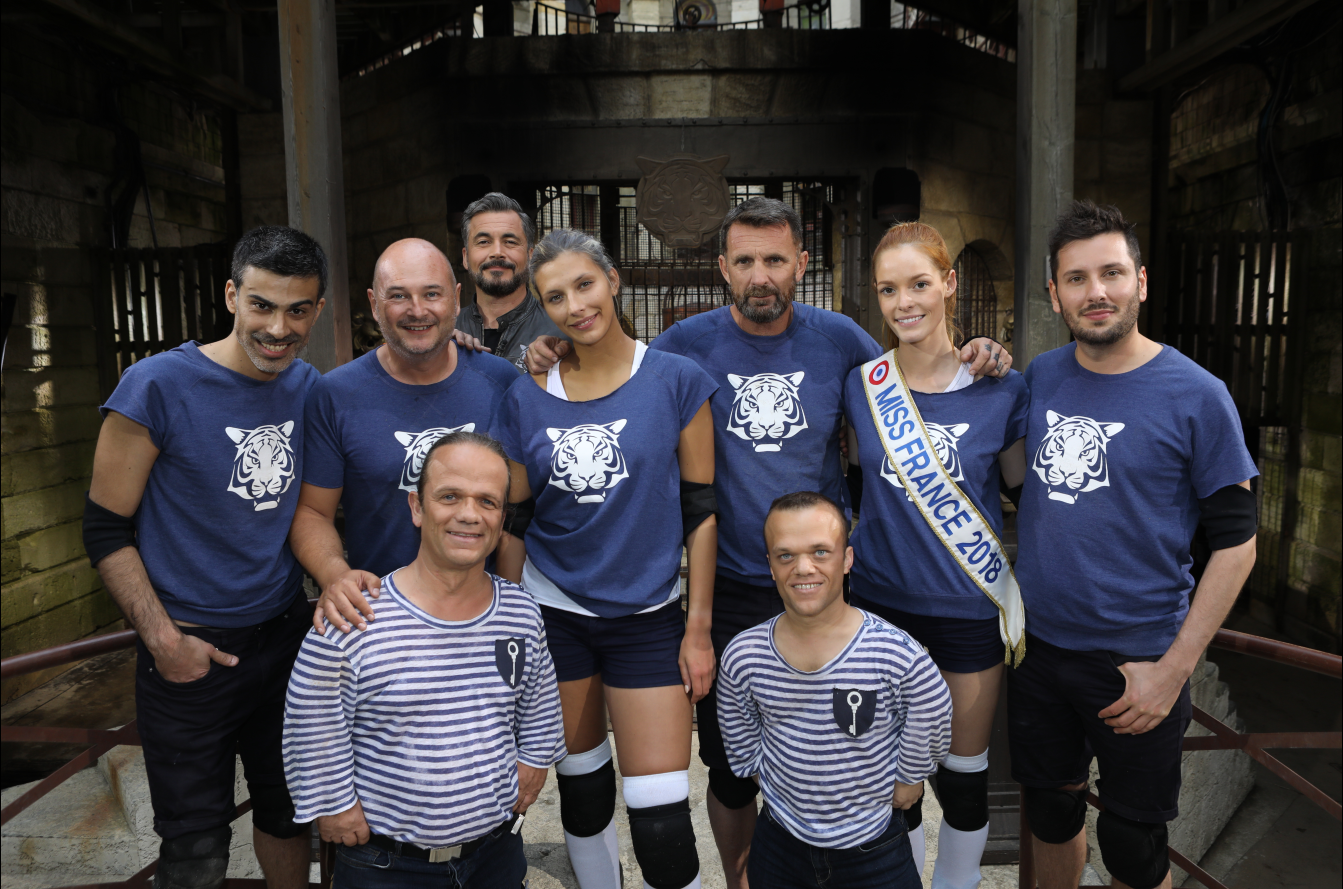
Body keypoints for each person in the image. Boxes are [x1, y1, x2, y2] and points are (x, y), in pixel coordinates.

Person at [522, 197, 1013, 887]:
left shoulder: (841, 339)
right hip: (728, 589)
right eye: (745, 260)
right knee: (730, 769)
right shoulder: (683, 346)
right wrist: (553, 347)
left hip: (825, 588)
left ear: (801, 265)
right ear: (722, 267)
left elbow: (915, 387)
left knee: (861, 757)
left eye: (775, 260)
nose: (760, 275)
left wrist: (978, 353)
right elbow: (614, 375)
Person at [1009, 201, 1258, 889]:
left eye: (1111, 273)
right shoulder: (1040, 376)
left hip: (1137, 664)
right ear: (1053, 293)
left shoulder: (1197, 395)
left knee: (1132, 845)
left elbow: (1236, 545)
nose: (1096, 292)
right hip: (1039, 653)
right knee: (1052, 818)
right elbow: (1015, 482)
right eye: (1077, 278)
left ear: (1140, 282)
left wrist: (1173, 669)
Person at [81, 226, 328, 889]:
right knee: (193, 845)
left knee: (287, 815)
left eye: (297, 309)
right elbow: (104, 528)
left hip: (283, 641)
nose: (278, 327)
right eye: (262, 305)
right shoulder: (154, 386)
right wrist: (164, 640)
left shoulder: (310, 388)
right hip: (187, 651)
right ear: (231, 295)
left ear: (318, 310)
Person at [494, 229, 718, 889]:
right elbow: (515, 516)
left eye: (583, 284)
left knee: (662, 824)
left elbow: (701, 509)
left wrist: (697, 625)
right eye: (553, 296)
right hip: (551, 613)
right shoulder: (524, 392)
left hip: (648, 616)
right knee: (583, 795)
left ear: (612, 280)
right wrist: (506, 622)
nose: (574, 305)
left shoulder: (676, 379)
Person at [283, 431, 566, 886]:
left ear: (502, 518)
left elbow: (538, 701)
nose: (469, 515)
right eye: (450, 496)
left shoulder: (520, 612)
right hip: (386, 865)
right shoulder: (355, 618)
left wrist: (534, 760)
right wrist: (333, 805)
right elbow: (313, 723)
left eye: (488, 502)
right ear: (417, 507)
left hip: (495, 854)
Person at [841, 221, 1029, 887]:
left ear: (949, 283)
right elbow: (857, 486)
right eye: (888, 289)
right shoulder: (862, 385)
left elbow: (1016, 492)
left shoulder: (1002, 387)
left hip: (965, 608)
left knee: (964, 776)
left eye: (918, 283)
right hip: (879, 607)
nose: (904, 302)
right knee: (893, 778)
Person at [716, 491, 953, 889]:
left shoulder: (894, 652)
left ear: (847, 560)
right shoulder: (745, 654)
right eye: (785, 555)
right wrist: (767, 779)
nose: (803, 568)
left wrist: (910, 777)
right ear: (770, 566)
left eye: (820, 552)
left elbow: (931, 705)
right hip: (780, 843)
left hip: (874, 848)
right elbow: (739, 731)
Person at [293, 238, 519, 635]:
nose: (418, 310)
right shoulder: (335, 395)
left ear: (456, 298)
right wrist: (336, 575)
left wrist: (513, 601)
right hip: (376, 619)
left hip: (483, 616)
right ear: (375, 303)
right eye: (399, 296)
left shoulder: (502, 383)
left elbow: (521, 508)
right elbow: (312, 512)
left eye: (432, 294)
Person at [454, 192, 566, 370]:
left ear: (530, 256)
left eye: (510, 242)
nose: (497, 252)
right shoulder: (444, 333)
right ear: (466, 257)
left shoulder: (563, 330)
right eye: (483, 241)